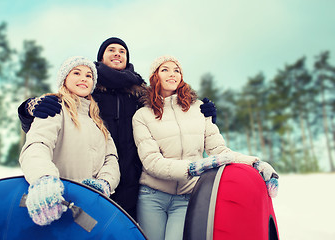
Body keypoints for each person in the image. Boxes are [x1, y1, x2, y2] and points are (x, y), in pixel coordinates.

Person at [17, 37, 217, 220]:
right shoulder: (88, 91)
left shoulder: (141, 93)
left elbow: (167, 117)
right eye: (111, 50)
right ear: (100, 58)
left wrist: (199, 113)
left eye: (122, 51)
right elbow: (41, 136)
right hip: (87, 179)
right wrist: (29, 109)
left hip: (132, 179)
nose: (117, 53)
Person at [132, 55, 279, 240]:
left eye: (176, 70)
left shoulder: (199, 109)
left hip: (186, 197)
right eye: (165, 70)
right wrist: (192, 168)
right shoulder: (142, 116)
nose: (172, 74)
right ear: (155, 77)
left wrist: (255, 163)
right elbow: (151, 162)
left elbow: (219, 151)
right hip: (152, 196)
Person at [19, 56, 120, 226]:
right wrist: (43, 178)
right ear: (65, 79)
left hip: (87, 209)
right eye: (77, 73)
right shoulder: (54, 108)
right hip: (54, 201)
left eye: (89, 76)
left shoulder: (98, 122)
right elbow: (37, 144)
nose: (83, 78)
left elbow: (111, 159)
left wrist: (104, 183)